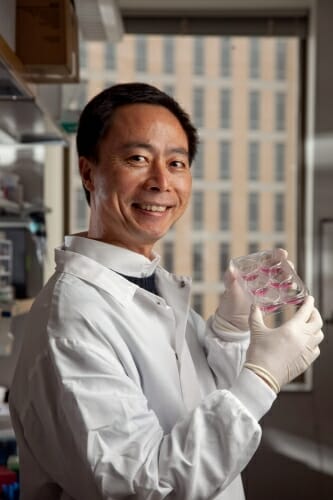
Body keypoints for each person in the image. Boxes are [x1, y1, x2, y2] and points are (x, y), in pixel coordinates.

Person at [9, 82, 324, 500]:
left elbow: (206, 412)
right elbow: (142, 484)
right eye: (138, 158)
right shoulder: (72, 317)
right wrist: (261, 377)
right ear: (89, 171)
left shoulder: (149, 285)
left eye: (177, 162)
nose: (161, 181)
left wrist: (229, 334)